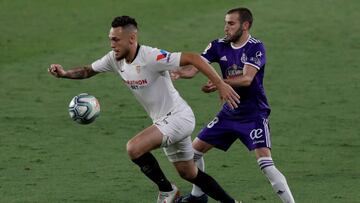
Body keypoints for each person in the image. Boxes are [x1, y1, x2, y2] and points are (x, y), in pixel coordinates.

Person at [48, 16, 241, 203]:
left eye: (116, 40)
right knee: (189, 173)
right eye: (110, 40)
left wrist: (220, 84)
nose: (112, 44)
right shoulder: (115, 59)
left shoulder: (151, 56)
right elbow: (87, 70)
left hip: (178, 117)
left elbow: (194, 58)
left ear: (131, 38)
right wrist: (64, 74)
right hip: (164, 121)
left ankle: (167, 191)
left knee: (134, 147)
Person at [172, 8, 295, 203]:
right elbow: (194, 68)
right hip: (229, 113)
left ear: (245, 26)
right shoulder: (218, 45)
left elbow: (247, 79)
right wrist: (179, 72)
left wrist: (221, 82)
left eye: (231, 24)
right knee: (192, 154)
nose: (226, 28)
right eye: (225, 23)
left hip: (253, 114)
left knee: (266, 165)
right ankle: (198, 196)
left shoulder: (255, 47)